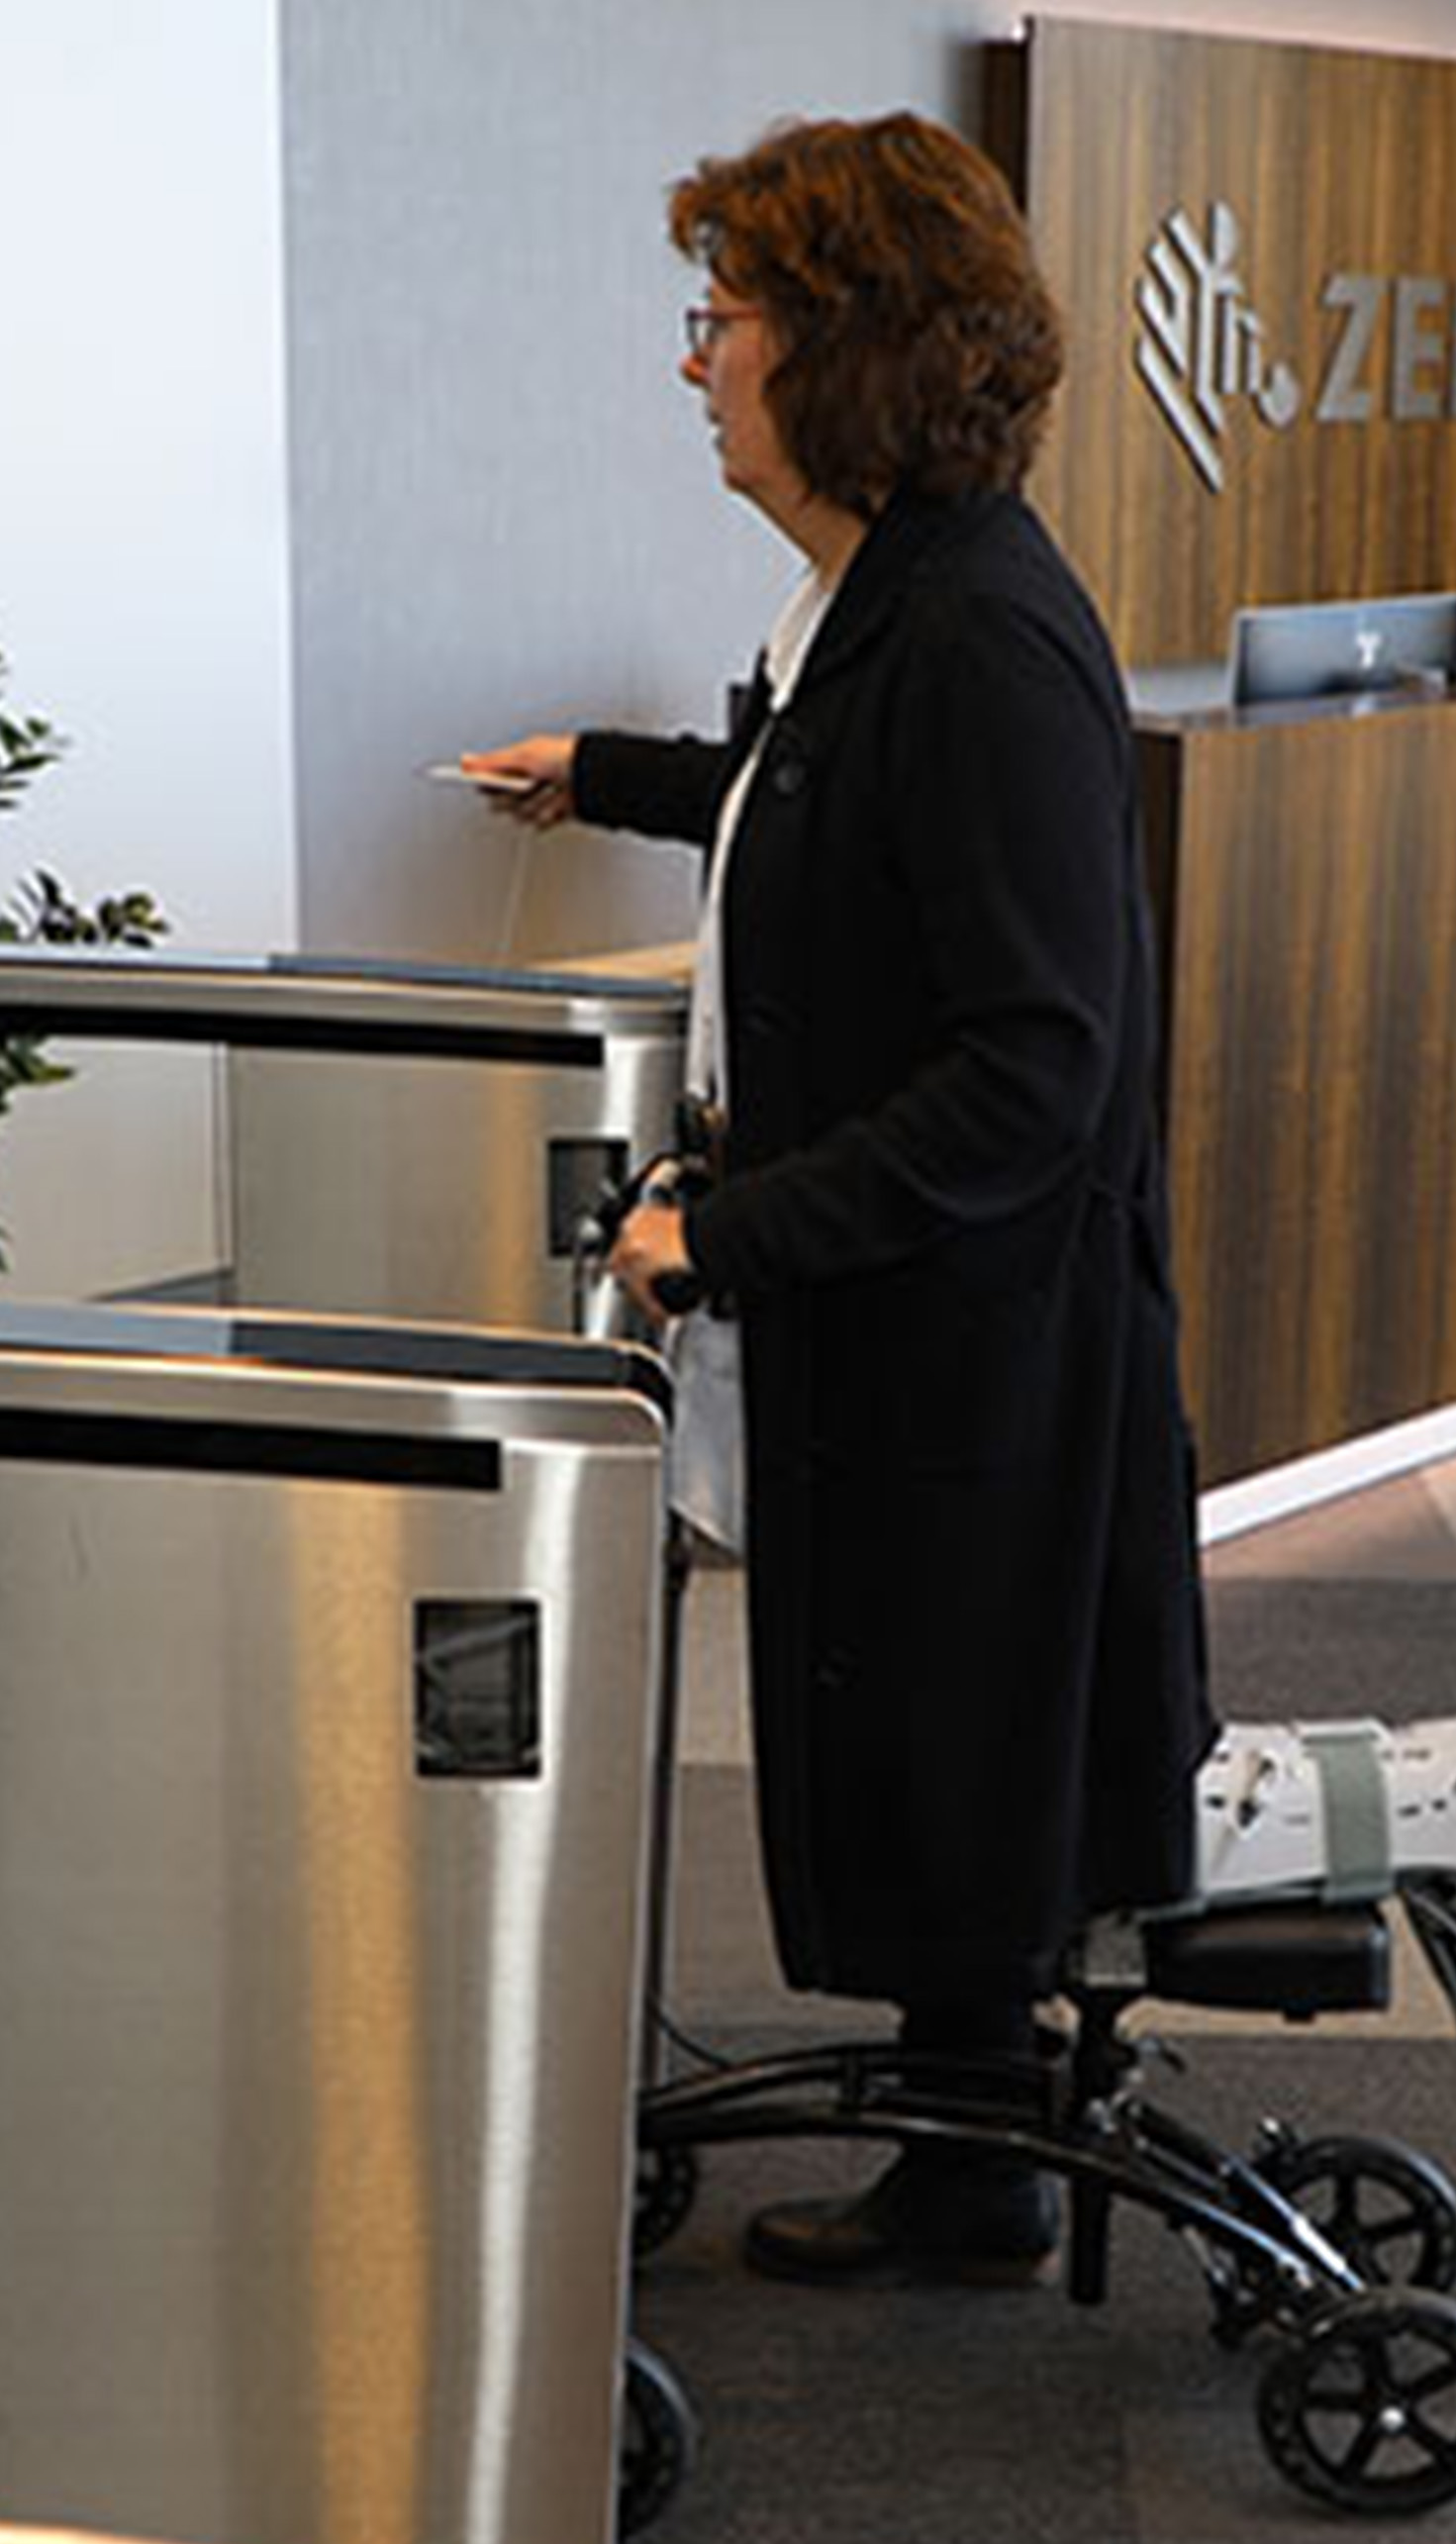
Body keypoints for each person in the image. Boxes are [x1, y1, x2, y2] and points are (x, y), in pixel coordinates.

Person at [463, 113, 1218, 2286]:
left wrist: (736, 1230)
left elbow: (1040, 1065)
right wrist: (606, 778)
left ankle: (977, 2171)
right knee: (929, 1738)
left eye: (724, 321)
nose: (693, 364)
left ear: (850, 348)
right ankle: (974, 2164)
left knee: (951, 1741)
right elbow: (821, 809)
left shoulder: (979, 635)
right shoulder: (891, 597)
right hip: (921, 1323)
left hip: (973, 1329)